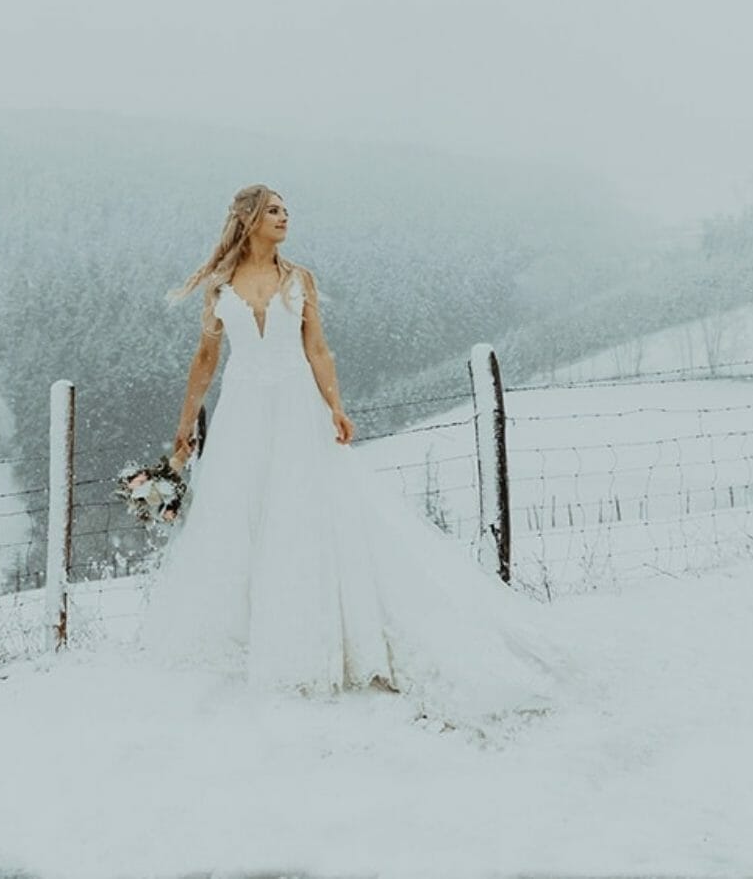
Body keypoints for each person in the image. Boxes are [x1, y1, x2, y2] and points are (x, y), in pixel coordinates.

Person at [134, 184, 576, 733]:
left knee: (300, 514)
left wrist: (336, 408)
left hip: (297, 408)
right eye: (273, 210)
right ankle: (247, 631)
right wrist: (184, 426)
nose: (284, 216)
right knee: (238, 516)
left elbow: (318, 348)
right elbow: (205, 358)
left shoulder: (301, 280)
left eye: (285, 210)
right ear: (248, 220)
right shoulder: (221, 286)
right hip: (243, 413)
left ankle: (307, 634)